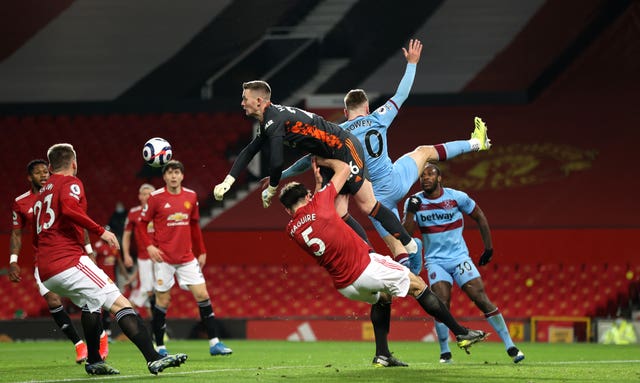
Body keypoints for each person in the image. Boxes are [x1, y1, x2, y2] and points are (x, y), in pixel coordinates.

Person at [274, 39, 491, 274]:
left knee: (398, 250)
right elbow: (402, 93)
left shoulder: (340, 135)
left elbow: (308, 160)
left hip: (373, 197)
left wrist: (281, 174)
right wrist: (412, 64)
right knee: (425, 151)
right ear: (366, 108)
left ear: (345, 113)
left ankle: (406, 274)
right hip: (396, 179)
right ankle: (476, 142)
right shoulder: (378, 117)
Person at [279, 156, 487, 366]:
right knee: (418, 285)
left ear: (288, 211)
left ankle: (382, 355)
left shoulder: (291, 229)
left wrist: (316, 187)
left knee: (383, 298)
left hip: (345, 285)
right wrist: (322, 163)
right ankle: (461, 333)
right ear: (308, 196)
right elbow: (342, 168)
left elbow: (311, 213)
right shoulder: (320, 203)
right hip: (365, 268)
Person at [213, 80, 422, 261]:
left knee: (368, 205)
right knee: (339, 214)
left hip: (345, 148)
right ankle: (371, 256)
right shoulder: (271, 120)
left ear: (258, 101)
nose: (242, 103)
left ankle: (408, 242)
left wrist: (273, 187)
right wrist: (228, 181)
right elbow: (250, 150)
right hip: (331, 155)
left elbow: (276, 161)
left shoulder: (273, 120)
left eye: (245, 98)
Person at [34, 143, 187, 375]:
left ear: (50, 166)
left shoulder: (42, 193)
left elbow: (41, 235)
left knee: (91, 304)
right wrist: (101, 231)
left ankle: (94, 361)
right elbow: (69, 209)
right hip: (67, 261)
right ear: (74, 163)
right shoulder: (71, 183)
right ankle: (153, 357)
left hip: (46, 269)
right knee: (119, 302)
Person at [402, 163, 524, 364]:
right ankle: (445, 352)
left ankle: (510, 345)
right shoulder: (414, 202)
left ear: (439, 178)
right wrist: (411, 213)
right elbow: (406, 235)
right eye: (422, 175)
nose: (425, 178)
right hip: (435, 261)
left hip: (459, 258)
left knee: (480, 298)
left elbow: (480, 216)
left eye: (430, 174)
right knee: (441, 302)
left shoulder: (456, 197)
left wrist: (489, 247)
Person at [9, 159, 108, 363]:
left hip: (70, 254)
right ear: (29, 177)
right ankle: (79, 345)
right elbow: (17, 234)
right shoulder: (21, 202)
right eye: (38, 173)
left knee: (89, 298)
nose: (44, 175)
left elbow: (78, 220)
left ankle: (101, 336)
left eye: (46, 171)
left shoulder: (60, 191)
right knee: (53, 300)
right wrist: (13, 260)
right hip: (44, 258)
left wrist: (89, 251)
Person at [138, 160, 232, 357]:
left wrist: (202, 250)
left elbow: (195, 225)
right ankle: (160, 347)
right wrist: (149, 247)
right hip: (163, 259)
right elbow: (141, 225)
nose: (173, 176)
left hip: (187, 258)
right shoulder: (155, 198)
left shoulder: (191, 196)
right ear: (164, 176)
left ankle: (215, 343)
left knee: (203, 296)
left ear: (182, 175)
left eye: (177, 172)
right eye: (170, 172)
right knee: (163, 301)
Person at [122, 183, 156, 316]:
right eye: (144, 194)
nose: (147, 196)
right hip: (144, 258)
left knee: (157, 293)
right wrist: (126, 254)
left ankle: (156, 331)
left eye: (150, 194)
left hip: (161, 257)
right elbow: (126, 235)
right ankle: (126, 311)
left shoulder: (160, 211)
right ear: (139, 196)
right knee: (148, 291)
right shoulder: (134, 213)